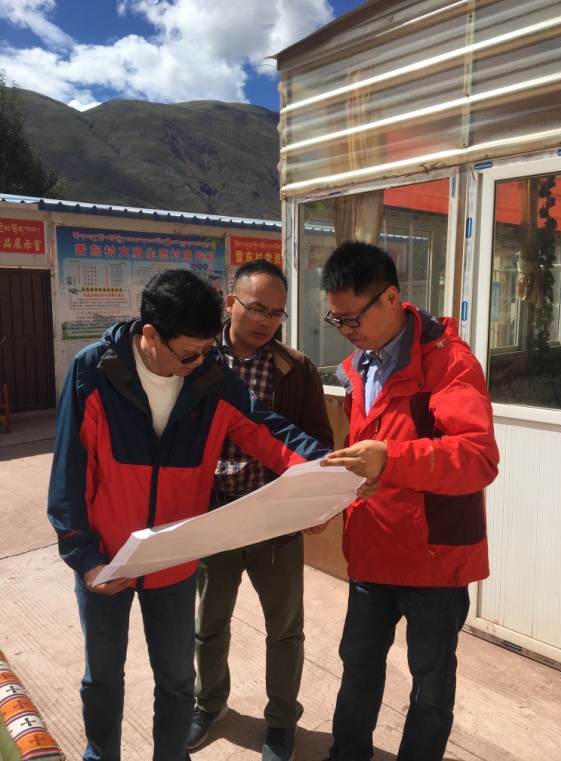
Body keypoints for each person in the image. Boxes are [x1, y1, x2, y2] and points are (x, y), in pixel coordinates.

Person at [47, 268, 333, 761]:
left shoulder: (210, 378)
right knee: (103, 680)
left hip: (174, 565)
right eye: (188, 354)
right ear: (150, 334)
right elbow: (67, 474)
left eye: (206, 351)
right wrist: (84, 557)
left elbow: (269, 432)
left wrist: (328, 472)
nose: (199, 362)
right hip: (105, 565)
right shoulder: (93, 372)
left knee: (178, 682)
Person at [318, 241, 499, 761]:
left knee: (430, 686)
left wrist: (391, 459)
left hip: (433, 560)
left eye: (352, 318)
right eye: (336, 320)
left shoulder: (448, 362)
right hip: (372, 550)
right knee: (358, 667)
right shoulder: (359, 365)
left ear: (392, 298)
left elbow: (477, 457)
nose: (345, 330)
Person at [189, 259, 334, 761]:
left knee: (284, 630)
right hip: (215, 516)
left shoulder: (297, 368)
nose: (266, 321)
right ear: (230, 302)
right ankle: (208, 704)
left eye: (277, 313)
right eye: (256, 309)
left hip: (275, 522)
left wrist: (313, 504)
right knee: (209, 623)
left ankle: (281, 721)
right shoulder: (198, 359)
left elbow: (316, 441)